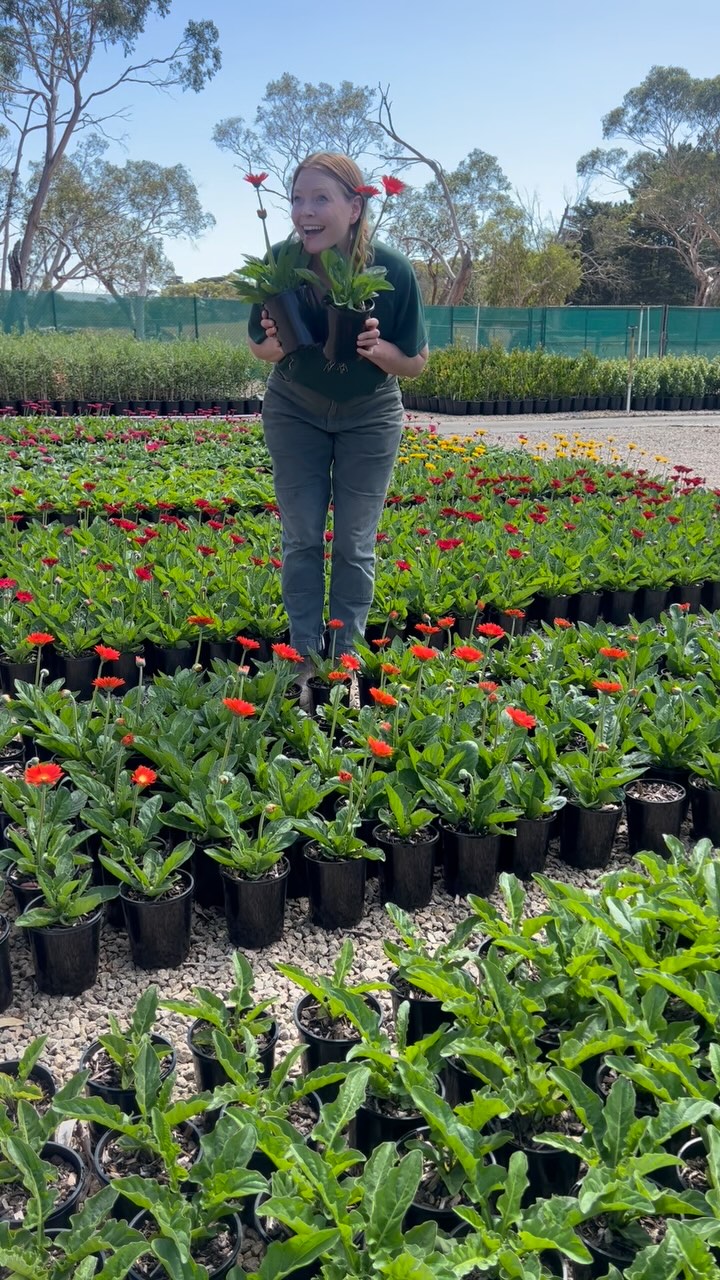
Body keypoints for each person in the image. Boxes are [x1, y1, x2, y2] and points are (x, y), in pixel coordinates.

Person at [247, 151, 428, 690]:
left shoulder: (391, 270)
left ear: (354, 207)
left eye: (320, 198)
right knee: (301, 534)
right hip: (294, 409)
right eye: (298, 198)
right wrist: (275, 342)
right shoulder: (280, 263)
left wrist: (378, 349)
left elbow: (415, 364)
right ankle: (303, 656)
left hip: (369, 415)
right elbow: (259, 348)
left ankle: (344, 658)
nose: (305, 210)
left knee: (354, 540)